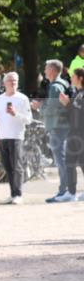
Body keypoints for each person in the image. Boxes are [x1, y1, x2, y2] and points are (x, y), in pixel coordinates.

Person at [32, 60, 73, 203]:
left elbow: (52, 109)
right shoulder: (63, 84)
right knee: (63, 160)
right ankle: (66, 190)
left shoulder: (55, 87)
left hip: (58, 127)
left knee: (60, 160)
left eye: (46, 68)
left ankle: (64, 191)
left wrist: (39, 107)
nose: (44, 70)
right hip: (63, 126)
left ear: (54, 71)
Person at [0, 72, 33, 205]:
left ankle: (18, 194)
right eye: (10, 81)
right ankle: (12, 193)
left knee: (17, 166)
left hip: (16, 136)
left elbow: (29, 120)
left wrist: (16, 114)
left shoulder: (22, 99)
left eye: (15, 81)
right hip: (2, 136)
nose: (13, 83)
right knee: (8, 166)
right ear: (4, 83)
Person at [60, 68, 84, 200]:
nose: (71, 78)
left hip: (82, 133)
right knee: (69, 162)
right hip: (73, 133)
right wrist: (67, 104)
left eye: (73, 76)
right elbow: (74, 113)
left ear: (80, 78)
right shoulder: (77, 92)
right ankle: (71, 192)